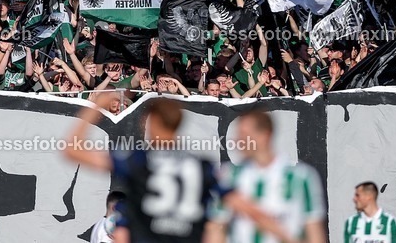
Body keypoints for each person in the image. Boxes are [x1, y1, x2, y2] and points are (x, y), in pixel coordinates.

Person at [63, 93, 295, 243]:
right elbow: (245, 206)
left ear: (152, 123)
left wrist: (95, 108)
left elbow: (72, 150)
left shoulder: (139, 161)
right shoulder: (201, 166)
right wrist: (287, 235)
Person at [209, 110, 326, 243]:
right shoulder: (229, 175)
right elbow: (216, 227)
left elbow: (314, 230)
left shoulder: (301, 176)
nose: (238, 141)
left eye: (245, 135)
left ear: (265, 135)